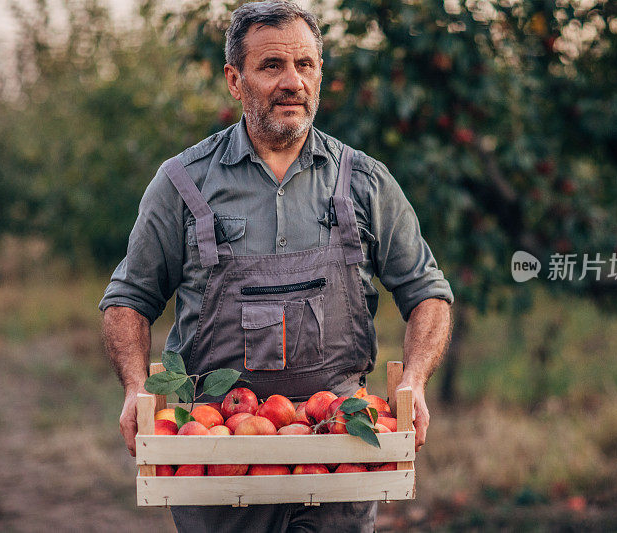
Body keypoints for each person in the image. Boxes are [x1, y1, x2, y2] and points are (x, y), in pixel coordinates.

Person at [99, 1, 453, 531]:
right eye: (272, 66)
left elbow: (428, 291)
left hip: (339, 446)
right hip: (215, 452)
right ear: (234, 80)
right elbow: (128, 298)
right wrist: (134, 387)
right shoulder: (182, 183)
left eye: (305, 65)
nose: (293, 81)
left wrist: (415, 381)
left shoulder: (365, 182)